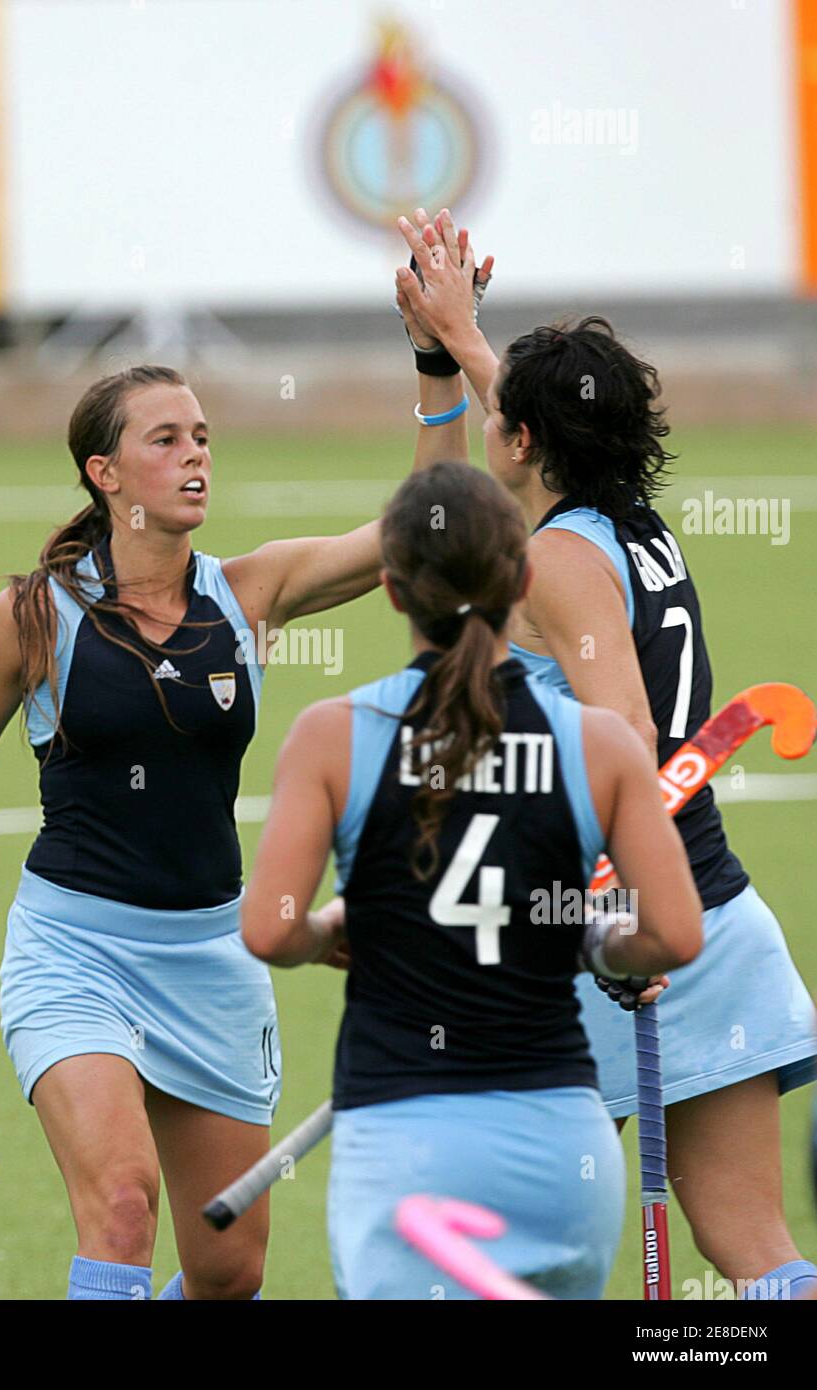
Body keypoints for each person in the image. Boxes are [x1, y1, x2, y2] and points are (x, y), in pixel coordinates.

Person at [0, 361, 468, 1302]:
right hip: (73, 952)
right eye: (163, 440)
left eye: (200, 436)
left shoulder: (250, 593)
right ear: (103, 473)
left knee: (228, 1271)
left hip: (213, 958)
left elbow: (425, 527)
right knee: (124, 1204)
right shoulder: (32, 615)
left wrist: (438, 368)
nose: (194, 455)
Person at [396, 208, 817, 1299]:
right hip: (711, 917)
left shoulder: (554, 563)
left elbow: (625, 734)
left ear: (522, 443)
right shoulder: (626, 521)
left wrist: (603, 907)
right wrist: (454, 340)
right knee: (755, 1252)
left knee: (490, 1251)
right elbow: (510, 437)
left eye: (505, 420)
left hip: (606, 930)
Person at [242, 461, 702, 1299]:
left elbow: (270, 929)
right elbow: (672, 933)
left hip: (408, 1146)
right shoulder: (596, 742)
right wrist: (592, 936)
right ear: (523, 579)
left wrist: (330, 931)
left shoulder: (333, 734)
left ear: (389, 589)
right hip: (563, 1149)